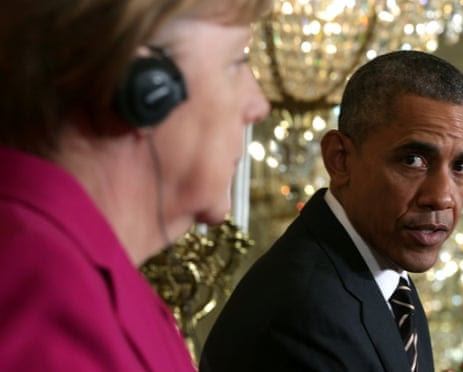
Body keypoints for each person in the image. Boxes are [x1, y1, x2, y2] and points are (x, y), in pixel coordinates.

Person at [0, 0, 271, 370]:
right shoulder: (44, 293)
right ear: (146, 86)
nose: (259, 105)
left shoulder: (76, 270)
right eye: (238, 62)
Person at [201, 50, 463, 372]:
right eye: (413, 160)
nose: (442, 197)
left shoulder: (384, 277)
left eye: (461, 167)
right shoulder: (308, 312)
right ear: (340, 158)